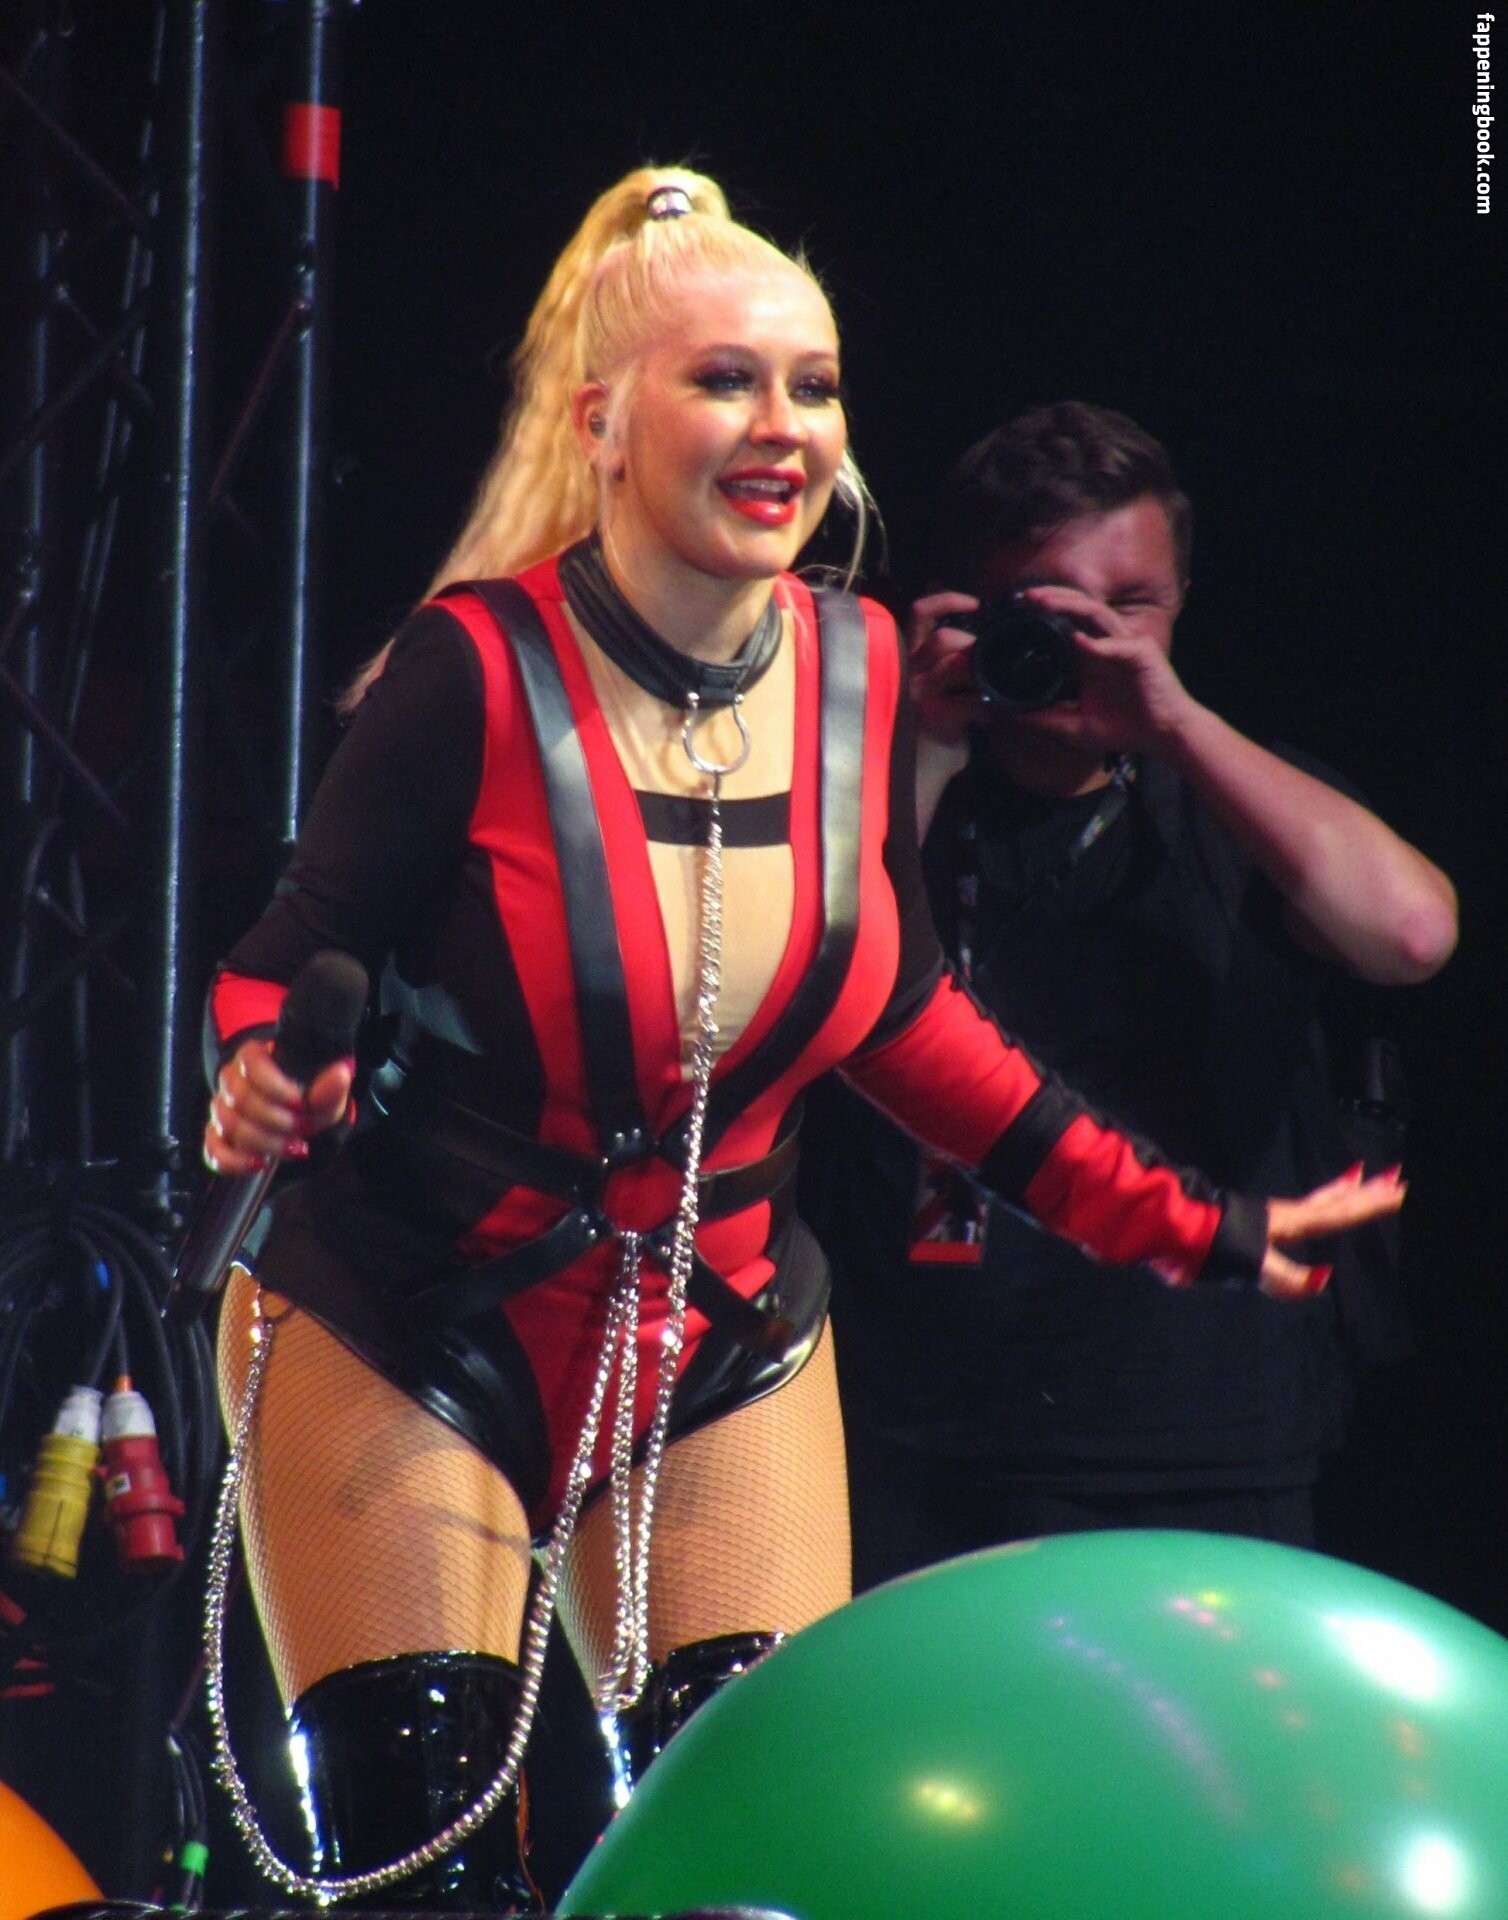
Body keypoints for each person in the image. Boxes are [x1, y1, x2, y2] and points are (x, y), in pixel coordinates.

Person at [198, 185, 1404, 1911]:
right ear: (604, 425)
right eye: (726, 381)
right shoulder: (473, 671)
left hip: (716, 1327)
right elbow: (274, 971)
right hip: (410, 1320)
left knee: (756, 1863)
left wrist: (1187, 1224)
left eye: (814, 386)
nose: (783, 426)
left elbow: (902, 1025)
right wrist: (260, 1079)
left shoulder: (858, 668)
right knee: (424, 1858)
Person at [803, 401, 1456, 1591]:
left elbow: (1411, 936)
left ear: (1181, 601)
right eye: (1043, 607)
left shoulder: (1236, 799)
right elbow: (802, 973)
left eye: (1128, 605)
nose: (1086, 639)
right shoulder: (887, 798)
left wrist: (1175, 726)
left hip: (1210, 1434)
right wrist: (924, 744)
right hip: (924, 1438)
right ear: (966, 604)